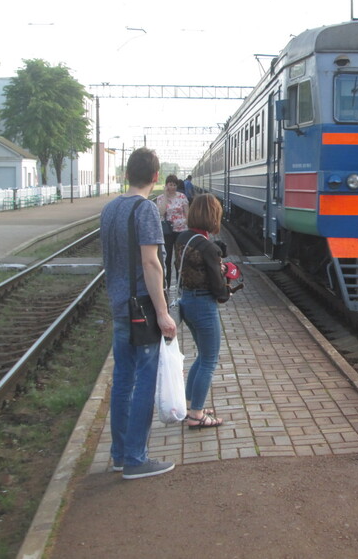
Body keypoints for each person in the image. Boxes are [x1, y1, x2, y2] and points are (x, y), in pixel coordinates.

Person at [100, 147, 177, 479]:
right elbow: (151, 262)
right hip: (141, 309)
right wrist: (163, 312)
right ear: (156, 177)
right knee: (145, 381)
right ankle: (135, 458)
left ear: (126, 174)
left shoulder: (110, 208)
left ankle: (119, 454)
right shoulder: (145, 210)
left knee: (123, 382)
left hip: (119, 306)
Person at [174, 193, 230, 429]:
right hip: (204, 305)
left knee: (202, 355)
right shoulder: (208, 247)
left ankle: (189, 405)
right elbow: (218, 287)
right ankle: (196, 415)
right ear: (212, 216)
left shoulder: (183, 239)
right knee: (210, 359)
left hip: (187, 301)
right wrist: (225, 283)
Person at [155, 174, 190, 289]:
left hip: (181, 231)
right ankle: (167, 284)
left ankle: (180, 285)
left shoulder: (182, 197)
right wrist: (165, 195)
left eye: (175, 185)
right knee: (167, 258)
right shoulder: (160, 198)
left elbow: (187, 213)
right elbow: (161, 212)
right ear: (166, 185)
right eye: (170, 184)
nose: (173, 187)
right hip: (167, 232)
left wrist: (185, 223)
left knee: (180, 258)